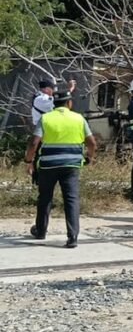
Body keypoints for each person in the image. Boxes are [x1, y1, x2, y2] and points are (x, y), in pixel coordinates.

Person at [23, 91, 96, 248]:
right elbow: (92, 142)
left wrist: (28, 161)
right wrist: (89, 157)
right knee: (71, 199)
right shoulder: (79, 118)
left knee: (45, 198)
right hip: (72, 166)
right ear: (69, 103)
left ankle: (41, 231)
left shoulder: (46, 118)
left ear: (54, 105)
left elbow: (34, 143)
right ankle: (72, 237)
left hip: (48, 166)